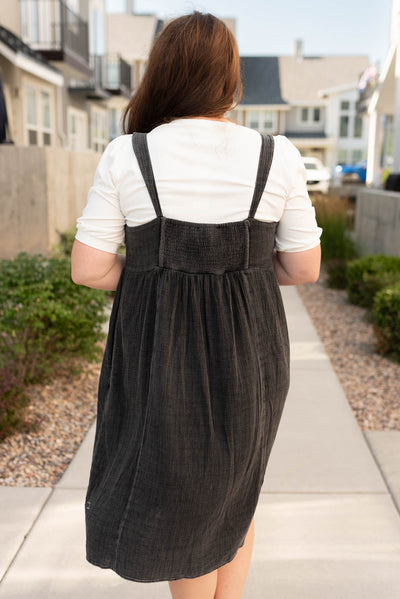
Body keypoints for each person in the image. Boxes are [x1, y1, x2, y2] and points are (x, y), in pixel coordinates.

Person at [71, 11, 321, 599]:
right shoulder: (277, 155)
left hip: (160, 341)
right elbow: (303, 267)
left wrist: (155, 275)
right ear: (230, 80)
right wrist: (244, 274)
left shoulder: (129, 154)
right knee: (236, 484)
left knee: (184, 494)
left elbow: (88, 268)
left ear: (163, 74)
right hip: (252, 344)